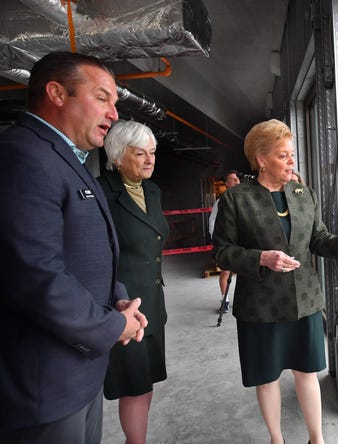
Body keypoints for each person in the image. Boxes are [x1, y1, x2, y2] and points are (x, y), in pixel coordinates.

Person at [0, 51, 147, 444]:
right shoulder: (24, 156)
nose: (113, 114)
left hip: (77, 371)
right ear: (57, 93)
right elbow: (35, 273)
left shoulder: (66, 158)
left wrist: (116, 300)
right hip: (44, 383)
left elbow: (84, 250)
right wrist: (113, 325)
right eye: (102, 98)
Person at [212, 119, 338, 444]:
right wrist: (262, 258)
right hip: (260, 307)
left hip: (303, 301)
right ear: (261, 159)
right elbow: (222, 253)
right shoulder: (237, 199)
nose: (292, 162)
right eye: (283, 155)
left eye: (292, 155)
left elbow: (317, 239)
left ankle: (316, 439)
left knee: (308, 373)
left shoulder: (304, 193)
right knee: (267, 377)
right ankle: (277, 439)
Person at [97, 120, 170, 444]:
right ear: (117, 155)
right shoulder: (102, 192)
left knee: (145, 382)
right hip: (125, 306)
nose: (149, 159)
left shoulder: (152, 191)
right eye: (140, 153)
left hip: (152, 303)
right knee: (134, 384)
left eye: (152, 153)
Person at [209, 169, 241, 312]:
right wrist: (217, 239)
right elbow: (213, 221)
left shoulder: (245, 198)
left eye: (237, 179)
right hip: (227, 242)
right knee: (226, 272)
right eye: (232, 179)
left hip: (243, 243)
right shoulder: (221, 201)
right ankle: (225, 300)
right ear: (226, 183)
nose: (235, 182)